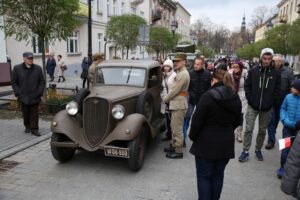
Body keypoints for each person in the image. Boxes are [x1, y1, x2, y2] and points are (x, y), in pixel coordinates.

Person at [189, 69, 241, 200]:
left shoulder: (208, 96)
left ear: (214, 80)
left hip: (206, 142)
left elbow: (196, 121)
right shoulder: (235, 97)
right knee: (218, 175)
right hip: (225, 142)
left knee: (204, 177)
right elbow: (238, 120)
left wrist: (193, 137)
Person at [239, 48, 281, 162]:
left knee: (262, 130)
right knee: (248, 128)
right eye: (264, 58)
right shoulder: (254, 70)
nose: (266, 61)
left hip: (267, 108)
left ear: (271, 59)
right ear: (261, 58)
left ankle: (258, 149)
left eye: (269, 58)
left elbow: (278, 90)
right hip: (253, 106)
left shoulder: (276, 72)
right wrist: (251, 100)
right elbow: (247, 86)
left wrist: (271, 102)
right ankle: (245, 150)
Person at [163, 52, 190, 159]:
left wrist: (165, 99)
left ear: (184, 62)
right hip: (176, 103)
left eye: (178, 61)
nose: (175, 63)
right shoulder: (180, 72)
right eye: (174, 61)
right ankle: (174, 146)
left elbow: (175, 90)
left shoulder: (183, 74)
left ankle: (178, 151)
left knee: (177, 129)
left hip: (179, 104)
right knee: (173, 127)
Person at [11, 52, 45, 136]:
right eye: (29, 58)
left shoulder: (38, 68)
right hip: (23, 96)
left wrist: (39, 92)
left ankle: (34, 129)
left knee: (34, 113)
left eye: (32, 58)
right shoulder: (17, 68)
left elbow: (42, 81)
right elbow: (14, 82)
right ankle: (27, 126)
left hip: (35, 95)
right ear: (24, 59)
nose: (30, 60)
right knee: (25, 113)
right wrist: (18, 92)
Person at [265, 54, 294, 149]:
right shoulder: (269, 70)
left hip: (283, 102)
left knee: (278, 120)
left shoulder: (288, 72)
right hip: (271, 100)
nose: (273, 62)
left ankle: (286, 144)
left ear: (281, 62)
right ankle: (271, 141)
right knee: (271, 120)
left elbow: (292, 86)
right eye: (272, 60)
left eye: (275, 61)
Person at [183, 56, 211, 147]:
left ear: (202, 65)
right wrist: (188, 96)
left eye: (198, 64)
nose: (195, 66)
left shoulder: (208, 74)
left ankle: (200, 138)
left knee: (201, 120)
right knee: (186, 119)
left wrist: (206, 98)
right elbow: (186, 88)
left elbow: (209, 88)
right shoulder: (190, 73)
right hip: (191, 100)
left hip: (202, 101)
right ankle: (183, 138)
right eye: (195, 64)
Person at [277, 79, 300, 178]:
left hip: (298, 129)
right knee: (285, 148)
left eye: (293, 87)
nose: (291, 88)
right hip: (287, 127)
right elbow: (283, 108)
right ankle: (282, 167)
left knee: (296, 150)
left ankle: (293, 170)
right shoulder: (288, 97)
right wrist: (284, 120)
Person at [229, 61, 248, 142]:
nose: (235, 68)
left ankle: (239, 134)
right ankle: (230, 133)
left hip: (242, 97)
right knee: (231, 115)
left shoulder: (245, 74)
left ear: (241, 68)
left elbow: (248, 86)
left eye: (237, 67)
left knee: (240, 116)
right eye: (234, 67)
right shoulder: (230, 74)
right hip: (232, 96)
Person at [160, 59, 176, 141]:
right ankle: (169, 134)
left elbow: (174, 90)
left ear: (171, 67)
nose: (166, 67)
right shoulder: (165, 76)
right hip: (165, 100)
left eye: (168, 66)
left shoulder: (174, 76)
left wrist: (168, 98)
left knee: (172, 120)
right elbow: (163, 88)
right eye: (165, 66)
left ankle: (173, 138)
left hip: (171, 100)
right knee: (167, 118)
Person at [281, 131, 300, 199]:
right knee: (285, 149)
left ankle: (288, 187)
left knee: (293, 160)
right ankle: (282, 167)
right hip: (289, 129)